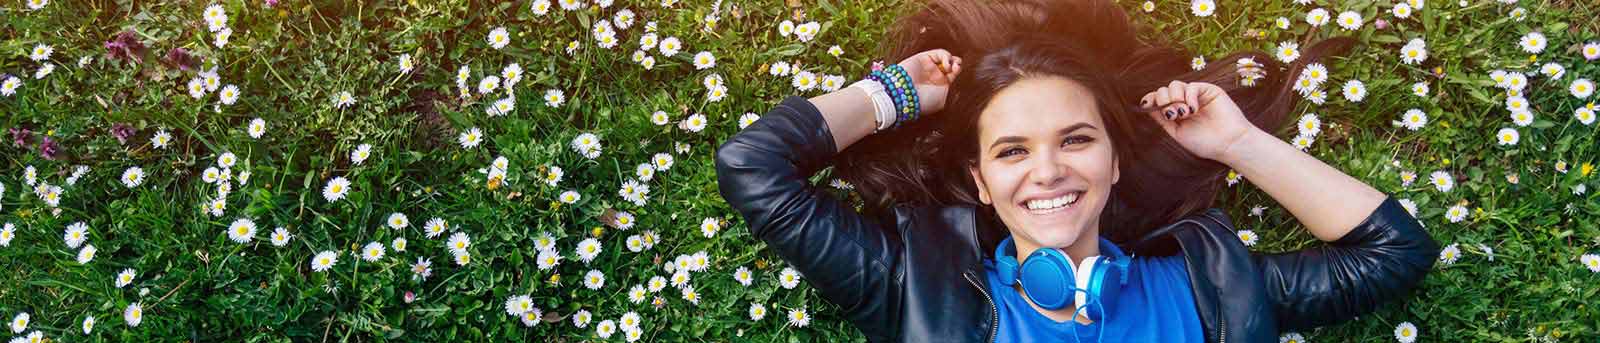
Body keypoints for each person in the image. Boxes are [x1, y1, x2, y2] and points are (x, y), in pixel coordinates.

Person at [715, 1, 1438, 342]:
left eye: (1077, 139)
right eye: (1011, 150)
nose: (1048, 170)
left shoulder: (1210, 288)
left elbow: (1394, 251)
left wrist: (1238, 143)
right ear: (978, 181)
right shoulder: (911, 283)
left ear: (1115, 160)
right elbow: (753, 168)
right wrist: (894, 95)